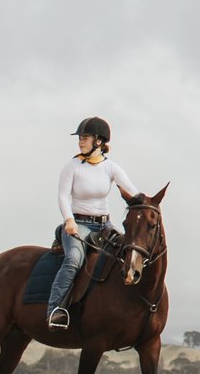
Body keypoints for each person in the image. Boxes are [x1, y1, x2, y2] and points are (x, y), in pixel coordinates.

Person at [48, 116, 141, 329]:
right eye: (80, 138)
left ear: (99, 141)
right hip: (78, 223)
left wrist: (148, 203)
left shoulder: (111, 168)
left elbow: (133, 193)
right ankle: (55, 309)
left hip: (104, 224)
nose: (80, 142)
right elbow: (63, 196)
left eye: (85, 138)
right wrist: (68, 220)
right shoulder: (71, 166)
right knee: (73, 260)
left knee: (129, 253)